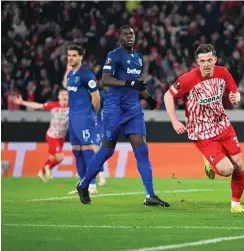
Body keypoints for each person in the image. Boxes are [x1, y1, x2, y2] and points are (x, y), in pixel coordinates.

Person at [75, 25, 168, 207]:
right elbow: (106, 80)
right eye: (126, 34)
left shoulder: (139, 58)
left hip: (133, 110)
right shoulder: (114, 55)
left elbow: (135, 86)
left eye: (132, 34)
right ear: (119, 38)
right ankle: (84, 184)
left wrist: (148, 98)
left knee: (141, 150)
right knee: (107, 151)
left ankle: (150, 195)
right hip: (114, 109)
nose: (129, 36)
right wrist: (130, 82)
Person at [163, 44, 244, 213]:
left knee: (238, 165)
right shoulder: (189, 79)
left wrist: (236, 97)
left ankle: (235, 205)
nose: (206, 64)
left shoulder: (223, 73)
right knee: (227, 170)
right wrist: (175, 121)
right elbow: (168, 96)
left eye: (209, 60)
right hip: (201, 131)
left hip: (222, 124)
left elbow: (235, 92)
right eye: (202, 61)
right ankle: (209, 161)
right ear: (197, 62)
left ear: (215, 59)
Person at [66, 44, 101, 195]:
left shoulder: (87, 75)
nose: (71, 58)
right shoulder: (70, 75)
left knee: (87, 151)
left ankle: (92, 184)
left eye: (74, 55)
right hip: (73, 118)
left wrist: (92, 114)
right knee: (76, 152)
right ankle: (82, 184)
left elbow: (96, 98)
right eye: (69, 55)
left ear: (81, 57)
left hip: (85, 117)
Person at [13, 90, 69, 181]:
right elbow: (37, 105)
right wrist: (23, 102)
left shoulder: (72, 107)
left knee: (52, 158)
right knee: (60, 157)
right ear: (59, 97)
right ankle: (48, 167)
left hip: (62, 137)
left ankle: (41, 172)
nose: (64, 96)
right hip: (52, 136)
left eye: (66, 94)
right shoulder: (53, 105)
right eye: (62, 94)